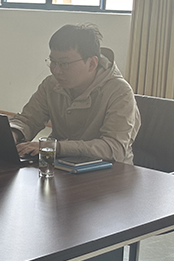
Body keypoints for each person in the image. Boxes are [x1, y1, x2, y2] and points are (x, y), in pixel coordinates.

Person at [10, 24, 140, 163]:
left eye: (64, 64)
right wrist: (14, 133)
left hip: (108, 171)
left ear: (92, 63)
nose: (56, 70)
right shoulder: (51, 84)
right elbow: (28, 120)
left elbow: (114, 149)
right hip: (61, 165)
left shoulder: (120, 92)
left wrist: (58, 147)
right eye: (53, 62)